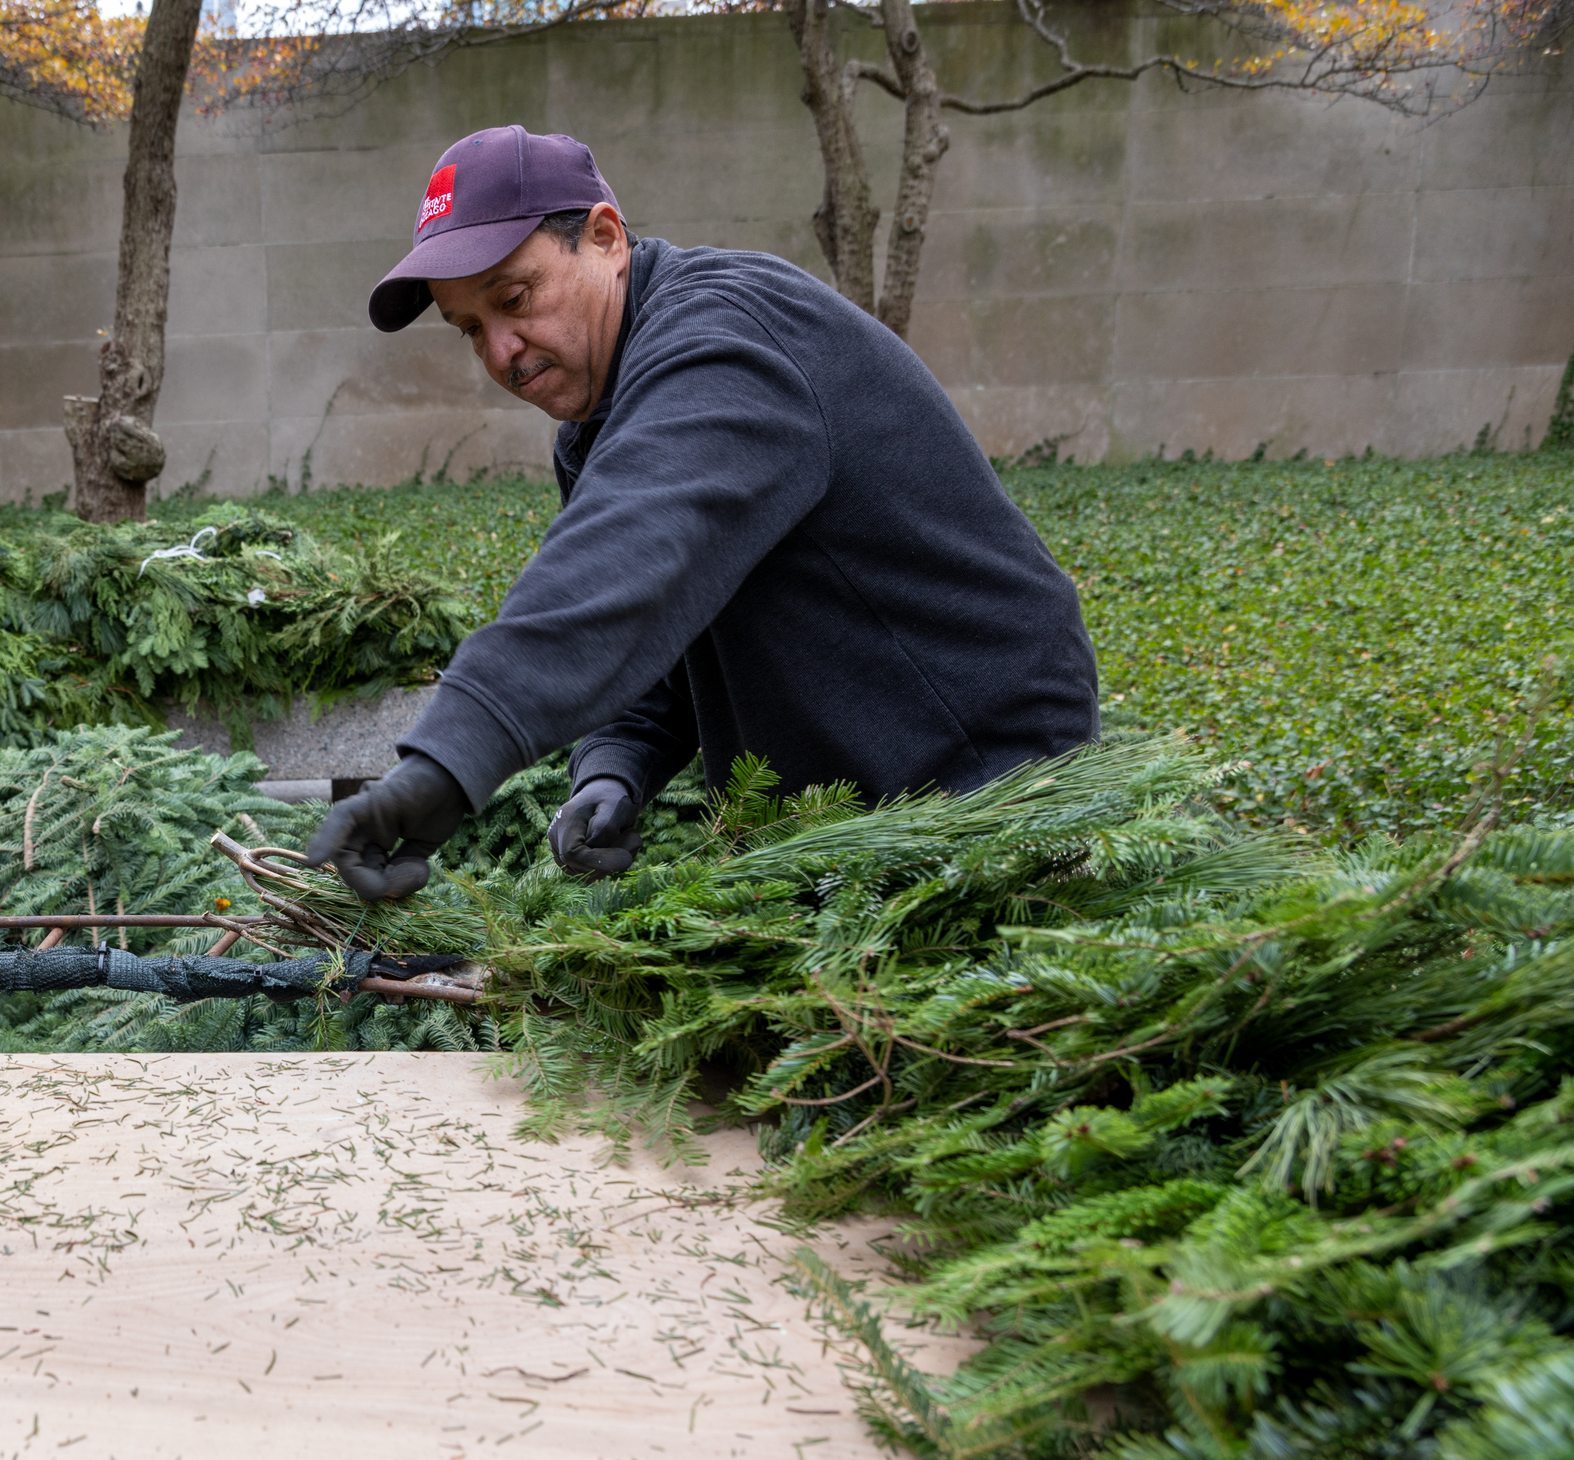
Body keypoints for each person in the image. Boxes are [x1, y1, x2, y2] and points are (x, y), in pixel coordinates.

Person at [304, 126, 1098, 900]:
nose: (502, 352)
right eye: (471, 328)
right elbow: (674, 616)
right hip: (834, 837)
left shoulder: (726, 339)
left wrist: (445, 764)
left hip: (983, 793)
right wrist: (616, 764)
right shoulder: (597, 418)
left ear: (606, 237)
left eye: (515, 298)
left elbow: (627, 562)